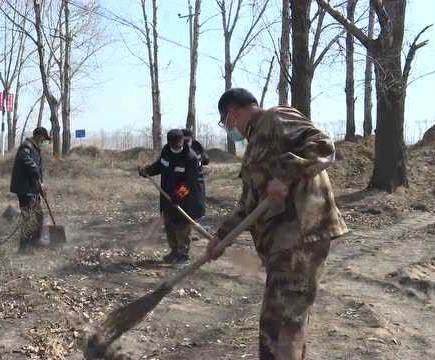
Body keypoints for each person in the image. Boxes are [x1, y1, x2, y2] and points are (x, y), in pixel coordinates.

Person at [207, 88, 348, 359]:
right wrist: (221, 238)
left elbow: (322, 145)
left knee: (278, 327)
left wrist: (284, 175)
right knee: (286, 324)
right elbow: (249, 205)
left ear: (232, 113)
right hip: (282, 247)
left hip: (300, 239)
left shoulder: (276, 117)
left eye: (227, 123)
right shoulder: (255, 145)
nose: (230, 129)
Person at [139, 129, 205, 264]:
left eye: (180, 143)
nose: (177, 146)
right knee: (169, 224)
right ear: (169, 142)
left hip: (186, 199)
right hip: (167, 195)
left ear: (183, 141)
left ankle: (183, 256)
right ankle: (174, 251)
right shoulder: (166, 151)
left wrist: (178, 196)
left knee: (182, 226)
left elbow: (190, 182)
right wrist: (148, 171)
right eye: (174, 144)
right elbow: (160, 165)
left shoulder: (190, 158)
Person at [10, 127, 51, 254]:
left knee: (37, 216)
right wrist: (35, 173)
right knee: (30, 218)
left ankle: (31, 244)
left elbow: (36, 169)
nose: (44, 141)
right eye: (44, 139)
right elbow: (27, 161)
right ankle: (24, 248)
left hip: (32, 188)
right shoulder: (26, 146)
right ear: (39, 136)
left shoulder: (35, 148)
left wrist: (41, 185)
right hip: (24, 189)